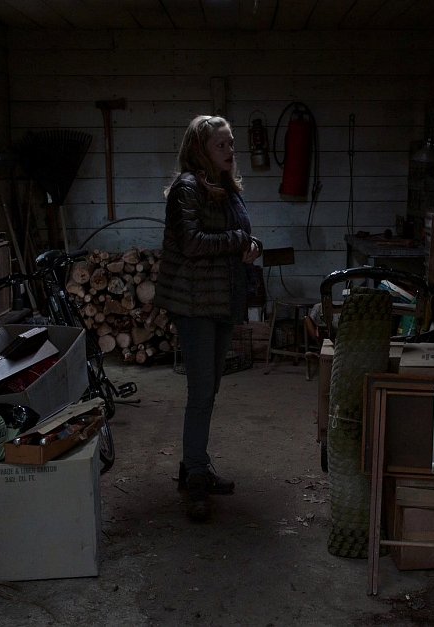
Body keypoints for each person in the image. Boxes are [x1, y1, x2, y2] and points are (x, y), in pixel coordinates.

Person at [155, 115, 263, 523]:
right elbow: (192, 242)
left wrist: (252, 244)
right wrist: (239, 241)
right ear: (200, 149)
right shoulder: (187, 188)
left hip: (220, 300)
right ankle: (196, 476)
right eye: (222, 144)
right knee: (201, 391)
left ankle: (193, 466)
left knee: (210, 388)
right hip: (194, 303)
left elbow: (240, 235)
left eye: (231, 143)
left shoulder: (228, 188)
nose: (231, 150)